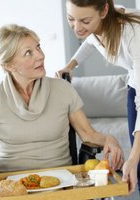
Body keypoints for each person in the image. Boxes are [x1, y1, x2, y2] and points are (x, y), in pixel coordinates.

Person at [0, 24, 123, 187]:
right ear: (9, 66)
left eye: (38, 47)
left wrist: (110, 139)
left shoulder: (62, 89)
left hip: (61, 183)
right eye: (28, 53)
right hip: (10, 187)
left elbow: (89, 135)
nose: (40, 56)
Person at [55, 0, 140, 196]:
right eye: (71, 18)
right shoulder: (97, 25)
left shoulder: (133, 32)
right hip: (135, 84)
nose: (77, 27)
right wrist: (71, 64)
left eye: (84, 20)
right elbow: (90, 42)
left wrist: (133, 159)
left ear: (104, 11)